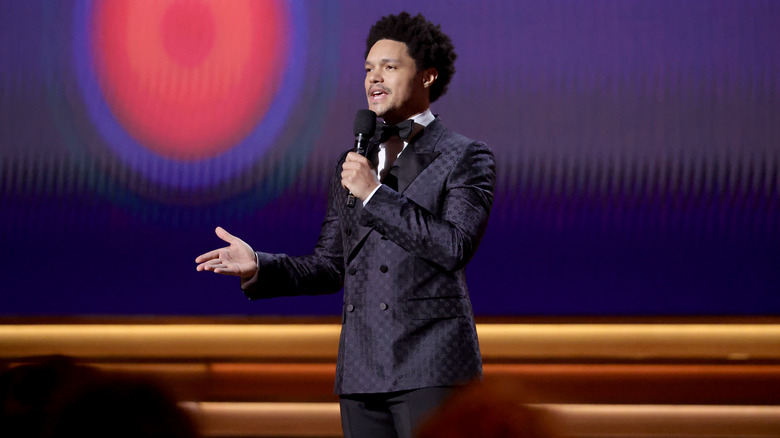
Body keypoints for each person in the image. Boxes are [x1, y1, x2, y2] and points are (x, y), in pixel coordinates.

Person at [196, 11, 495, 438]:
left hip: (431, 364)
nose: (375, 78)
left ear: (427, 77)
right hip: (361, 367)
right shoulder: (353, 161)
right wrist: (260, 265)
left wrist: (374, 194)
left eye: (390, 67)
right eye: (369, 69)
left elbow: (453, 246)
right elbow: (330, 264)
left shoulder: (464, 156)